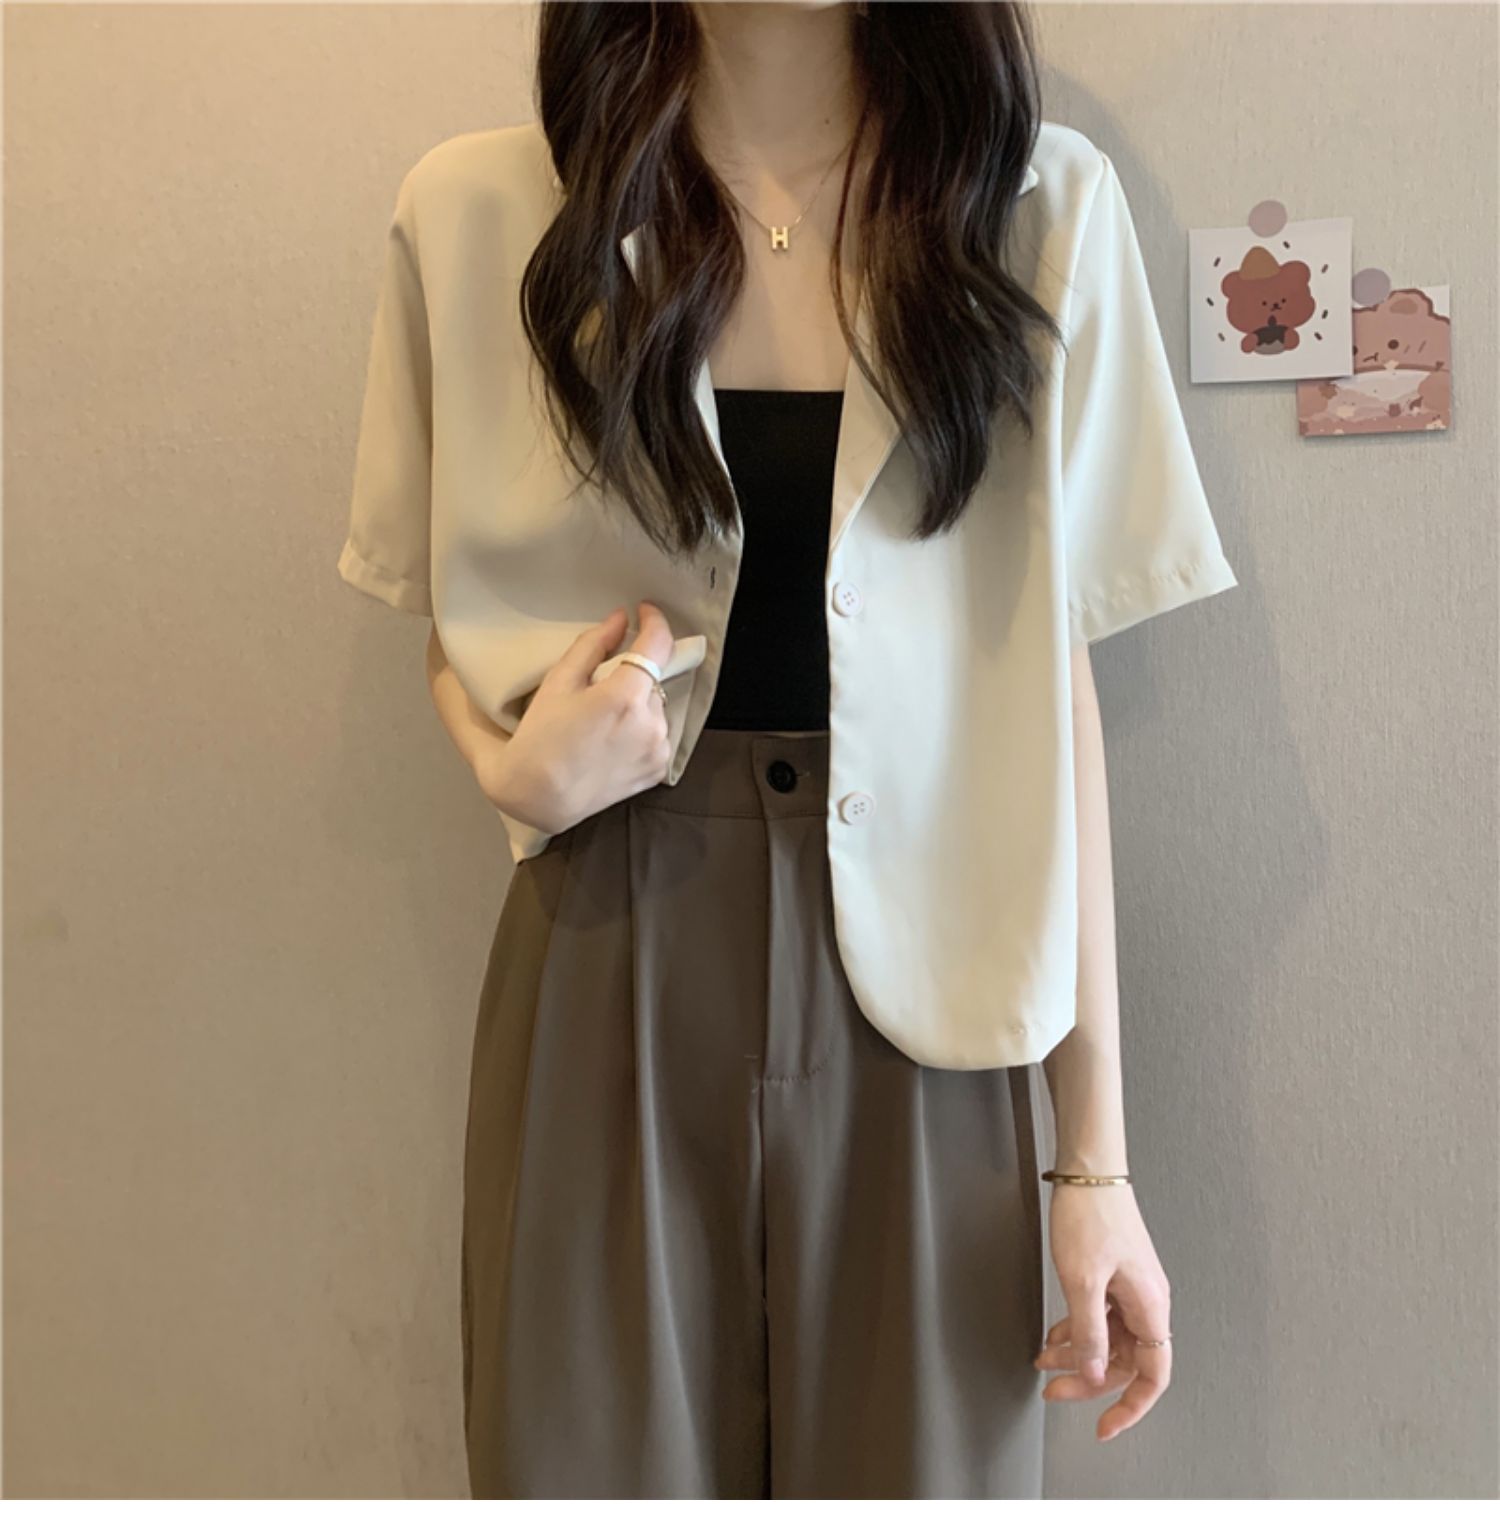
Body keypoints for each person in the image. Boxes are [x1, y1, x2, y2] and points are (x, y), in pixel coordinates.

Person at [337, 0, 1238, 1500]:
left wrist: (1096, 1161)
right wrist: (508, 771)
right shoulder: (479, 212)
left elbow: (1048, 686)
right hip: (608, 938)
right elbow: (452, 601)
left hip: (942, 980)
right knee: (585, 1469)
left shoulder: (1031, 208)